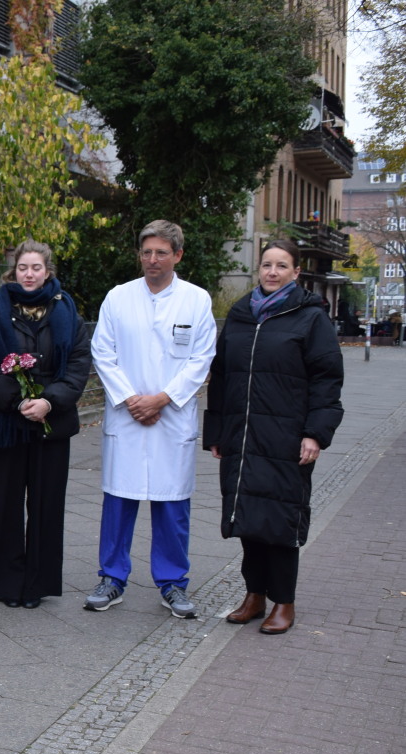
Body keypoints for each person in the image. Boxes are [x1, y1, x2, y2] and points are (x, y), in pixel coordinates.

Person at [203, 238, 344, 634]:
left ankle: (284, 602)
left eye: (281, 266)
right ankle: (254, 595)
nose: (272, 272)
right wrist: (217, 431)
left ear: (296, 272)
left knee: (280, 519)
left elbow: (327, 380)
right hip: (243, 437)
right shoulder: (242, 314)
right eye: (266, 264)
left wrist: (315, 434)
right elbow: (222, 375)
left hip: (285, 438)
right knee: (247, 517)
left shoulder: (310, 317)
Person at [84, 220, 216, 618]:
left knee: (172, 504)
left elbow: (201, 358)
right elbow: (102, 352)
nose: (153, 260)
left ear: (177, 255)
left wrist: (161, 399)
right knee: (118, 501)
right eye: (147, 252)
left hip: (170, 418)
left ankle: (173, 583)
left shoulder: (196, 300)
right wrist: (130, 399)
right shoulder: (119, 297)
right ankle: (112, 577)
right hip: (127, 418)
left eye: (161, 252)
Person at [0, 240, 92, 608]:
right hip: (8, 418)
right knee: (6, 503)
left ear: (47, 271)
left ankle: (37, 584)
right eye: (23, 267)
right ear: (14, 270)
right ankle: (7, 582)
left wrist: (49, 401)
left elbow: (78, 362)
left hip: (51, 422)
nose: (29, 274)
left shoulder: (67, 310)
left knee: (46, 502)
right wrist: (17, 399)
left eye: (36, 268)